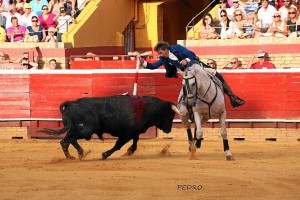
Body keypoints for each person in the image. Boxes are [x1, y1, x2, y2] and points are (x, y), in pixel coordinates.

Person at [139, 41, 245, 107]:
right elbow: (152, 66)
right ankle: (188, 110)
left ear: (166, 50)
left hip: (196, 66)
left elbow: (192, 55)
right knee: (185, 91)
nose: (160, 55)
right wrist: (141, 61)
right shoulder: (164, 58)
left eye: (161, 53)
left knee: (216, 74)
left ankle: (232, 97)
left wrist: (186, 59)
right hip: (186, 74)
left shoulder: (178, 48)